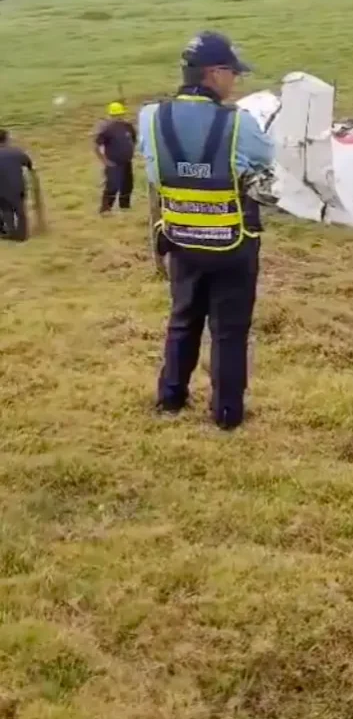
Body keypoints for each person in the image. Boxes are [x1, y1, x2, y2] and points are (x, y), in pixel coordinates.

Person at [138, 30, 274, 430]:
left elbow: (152, 171)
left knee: (182, 320)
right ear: (214, 73)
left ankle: (170, 399)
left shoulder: (150, 117)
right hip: (232, 244)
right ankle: (227, 414)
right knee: (229, 331)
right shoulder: (239, 123)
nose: (235, 82)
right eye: (233, 73)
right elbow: (267, 158)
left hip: (180, 239)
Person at [94, 102, 137, 214]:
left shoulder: (128, 126)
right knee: (112, 186)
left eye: (120, 115)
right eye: (116, 115)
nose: (118, 117)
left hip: (127, 162)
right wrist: (105, 161)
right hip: (114, 163)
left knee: (127, 186)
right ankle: (106, 210)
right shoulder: (107, 129)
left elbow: (133, 139)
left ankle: (125, 207)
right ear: (111, 116)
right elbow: (97, 146)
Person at [0, 129, 39, 242]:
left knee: (6, 210)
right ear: (7, 139)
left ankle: (10, 232)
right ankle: (22, 235)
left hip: (1, 189)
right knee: (20, 211)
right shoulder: (16, 152)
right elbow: (29, 164)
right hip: (17, 186)